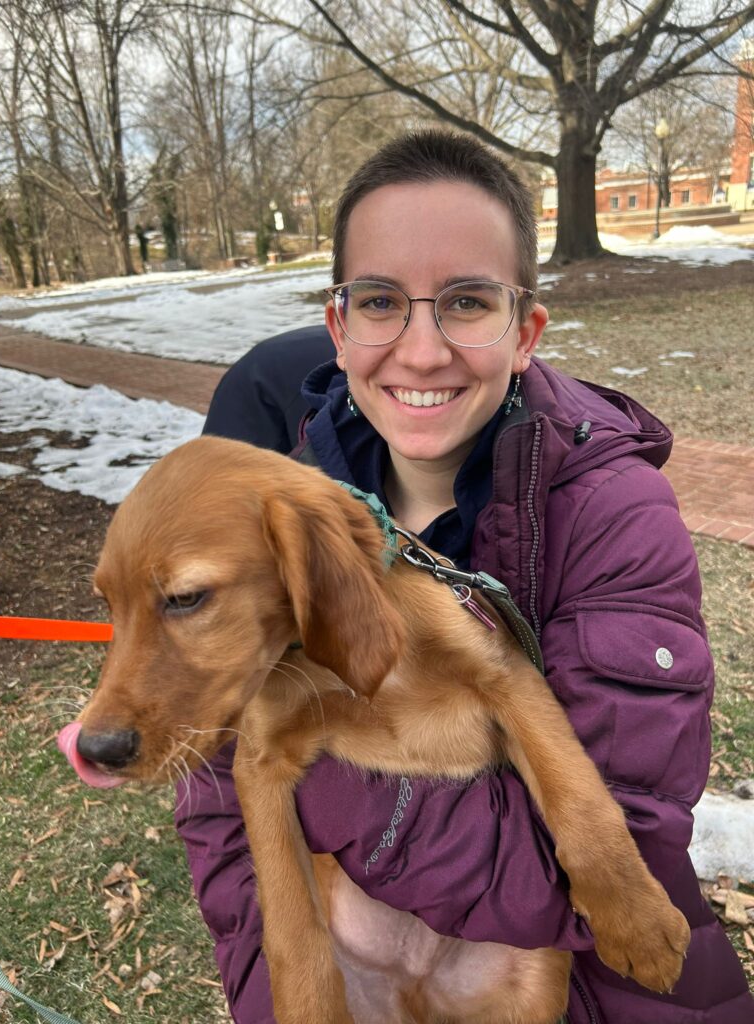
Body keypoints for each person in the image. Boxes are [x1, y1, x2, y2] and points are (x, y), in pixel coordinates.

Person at [175, 130, 753, 1023]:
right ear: (337, 326)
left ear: (524, 332)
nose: (421, 350)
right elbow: (219, 811)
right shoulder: (274, 519)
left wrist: (302, 756)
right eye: (379, 301)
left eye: (467, 302)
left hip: (549, 985)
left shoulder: (616, 517)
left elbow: (602, 858)